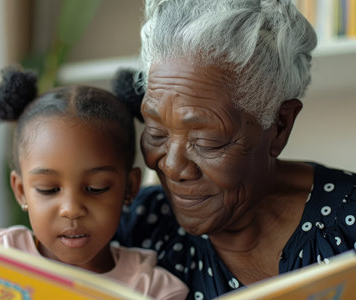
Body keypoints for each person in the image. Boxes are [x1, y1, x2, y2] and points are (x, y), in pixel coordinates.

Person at [111, 0, 356, 299]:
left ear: (279, 126)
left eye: (206, 141)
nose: (173, 166)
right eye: (157, 132)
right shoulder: (140, 225)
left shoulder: (347, 223)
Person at [0, 66, 189, 300]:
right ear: (21, 191)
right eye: (48, 189)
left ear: (129, 188)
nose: (71, 209)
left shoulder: (150, 288)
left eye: (95, 188)